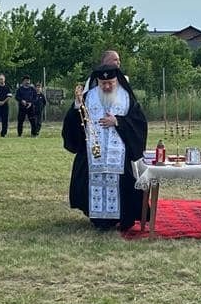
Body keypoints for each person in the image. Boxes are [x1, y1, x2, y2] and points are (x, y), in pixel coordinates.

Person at [63, 64, 147, 231]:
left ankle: (122, 218)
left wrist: (118, 121)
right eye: (103, 83)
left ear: (117, 81)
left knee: (124, 185)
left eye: (111, 83)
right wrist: (77, 106)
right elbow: (73, 122)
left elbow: (139, 123)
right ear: (98, 82)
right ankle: (99, 220)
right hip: (93, 154)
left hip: (119, 156)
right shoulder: (88, 97)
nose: (107, 86)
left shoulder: (126, 98)